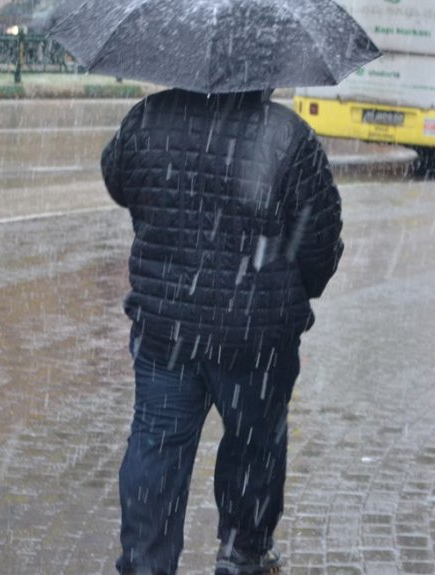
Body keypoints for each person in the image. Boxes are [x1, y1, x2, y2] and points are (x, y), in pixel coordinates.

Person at [102, 88, 344, 575]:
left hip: (166, 327)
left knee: (156, 443)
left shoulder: (148, 117)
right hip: (254, 333)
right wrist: (295, 292)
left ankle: (146, 562)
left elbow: (118, 180)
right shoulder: (286, 135)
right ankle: (244, 550)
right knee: (255, 442)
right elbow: (319, 236)